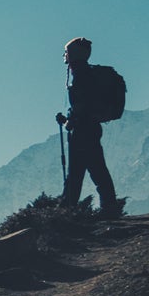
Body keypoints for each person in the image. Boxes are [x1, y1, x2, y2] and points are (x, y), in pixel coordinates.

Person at [56, 36, 125, 218]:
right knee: (97, 169)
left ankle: (66, 212)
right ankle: (109, 207)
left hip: (82, 131)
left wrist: (66, 121)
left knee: (78, 174)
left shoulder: (80, 77)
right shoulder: (91, 75)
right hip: (92, 129)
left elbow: (80, 110)